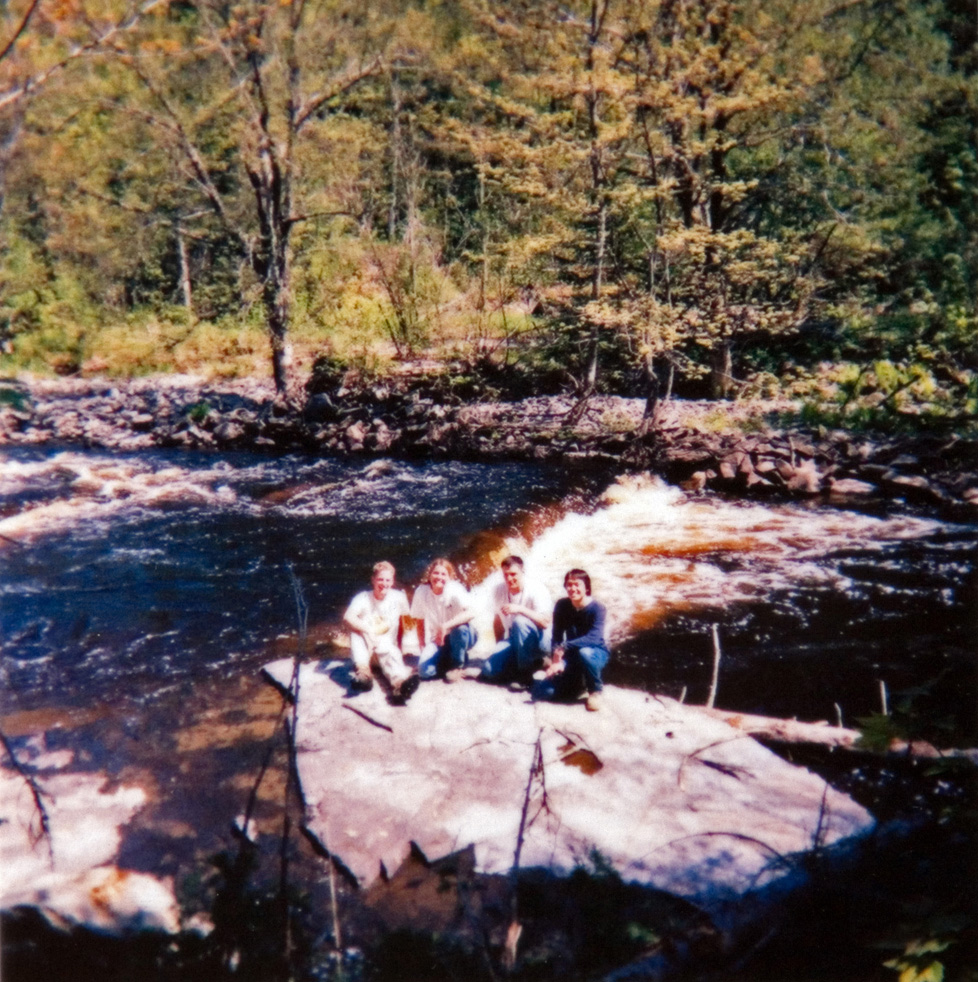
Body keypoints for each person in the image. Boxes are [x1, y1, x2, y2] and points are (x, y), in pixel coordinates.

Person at [343, 561, 419, 704]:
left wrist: (412, 647)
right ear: (373, 580)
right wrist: (368, 631)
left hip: (386, 648)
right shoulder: (362, 598)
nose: (384, 583)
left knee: (387, 649)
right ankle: (364, 675)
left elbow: (408, 621)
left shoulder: (399, 597)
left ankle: (400, 686)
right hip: (367, 652)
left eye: (388, 580)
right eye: (380, 579)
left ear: (392, 581)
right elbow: (348, 617)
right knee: (356, 632)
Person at [536, 568, 610, 712]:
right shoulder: (562, 605)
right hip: (572, 654)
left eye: (577, 584)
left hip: (595, 653)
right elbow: (556, 635)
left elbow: (593, 638)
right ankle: (578, 683)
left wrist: (564, 646)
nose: (572, 588)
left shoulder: (598, 608)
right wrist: (555, 662)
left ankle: (595, 691)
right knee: (544, 692)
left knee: (585, 653)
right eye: (569, 584)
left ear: (586, 587)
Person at [479, 555, 551, 686]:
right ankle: (537, 662)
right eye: (506, 575)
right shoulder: (498, 590)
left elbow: (545, 622)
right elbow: (498, 621)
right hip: (516, 638)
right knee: (488, 671)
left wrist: (520, 609)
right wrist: (499, 647)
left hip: (540, 638)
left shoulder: (537, 589)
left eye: (513, 574)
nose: (509, 578)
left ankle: (525, 675)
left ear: (522, 572)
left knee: (519, 621)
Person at [411, 558, 478, 682]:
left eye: (443, 574)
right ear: (430, 575)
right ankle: (449, 660)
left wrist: (445, 626)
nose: (439, 577)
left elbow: (471, 613)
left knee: (460, 628)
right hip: (438, 639)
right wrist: (422, 645)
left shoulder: (455, 589)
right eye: (436, 573)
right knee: (424, 672)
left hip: (463, 635)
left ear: (449, 577)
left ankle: (457, 666)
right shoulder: (421, 592)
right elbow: (419, 620)